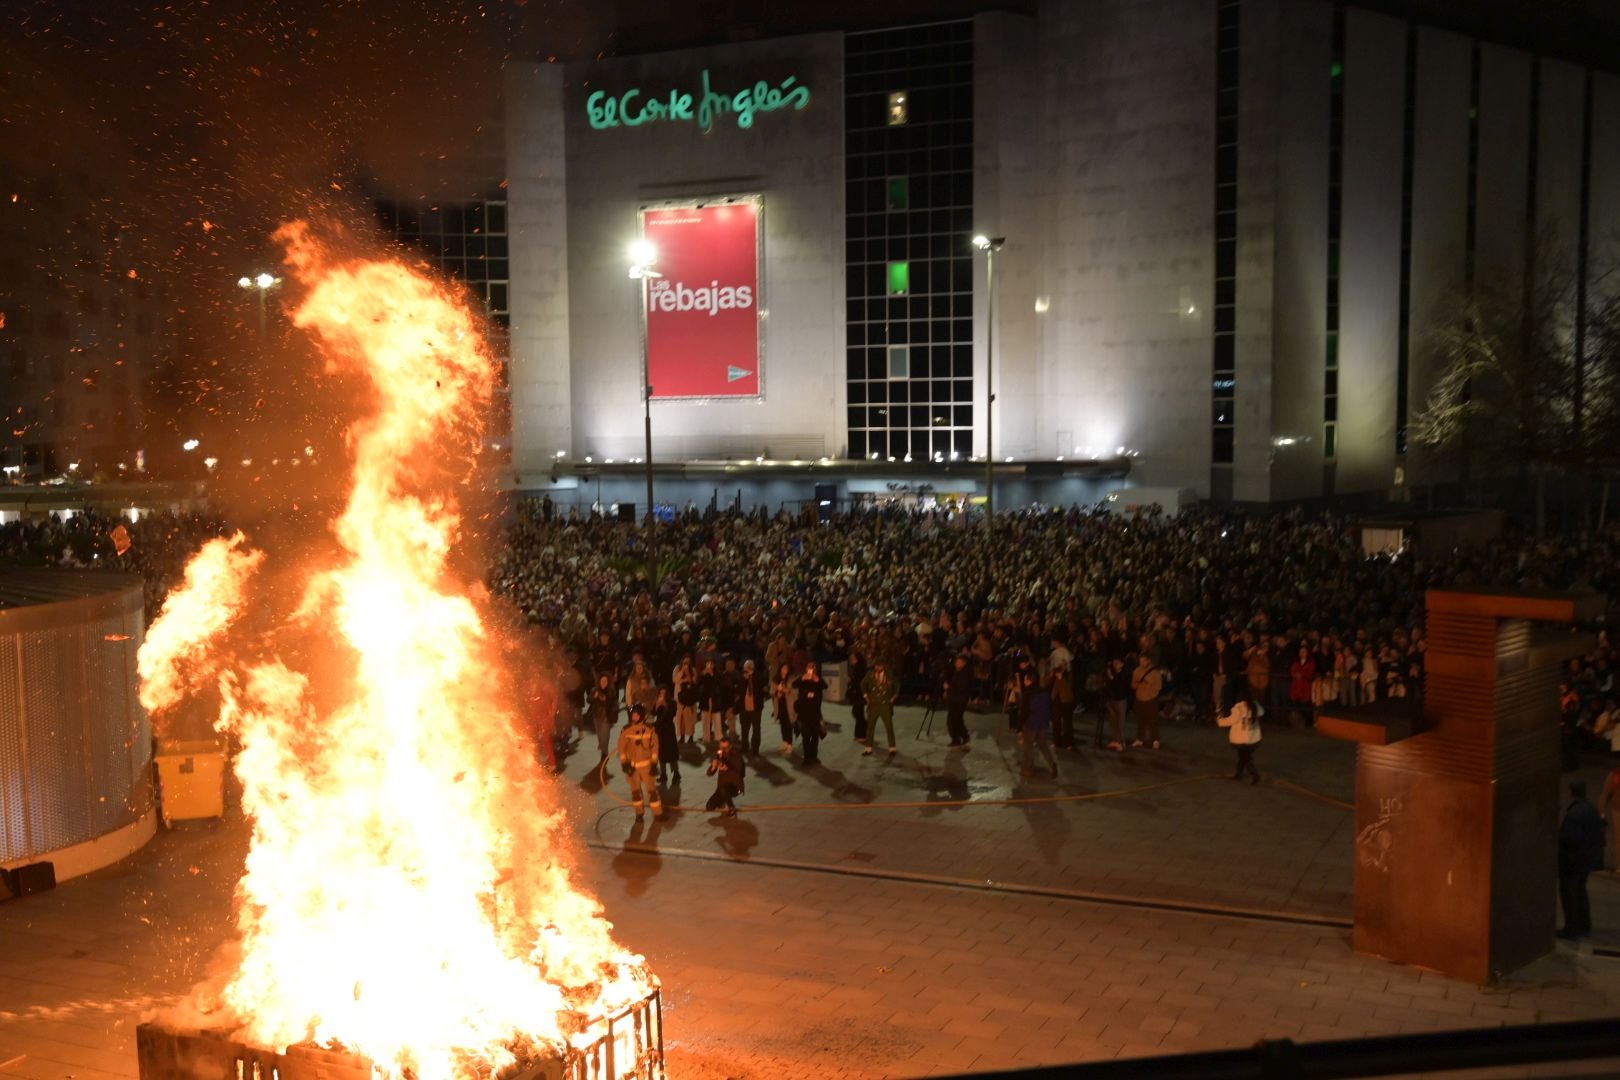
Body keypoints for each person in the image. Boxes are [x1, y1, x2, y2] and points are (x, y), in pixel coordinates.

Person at [1559, 780, 1605, 939]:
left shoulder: (1574, 813)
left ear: (1572, 793)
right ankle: (1584, 925)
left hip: (1573, 862)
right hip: (1587, 861)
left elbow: (1570, 839)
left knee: (1570, 894)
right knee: (1580, 891)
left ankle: (1571, 928)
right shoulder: (1591, 810)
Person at [617, 705, 663, 820]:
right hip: (632, 768)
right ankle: (639, 814)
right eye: (633, 715)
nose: (634, 717)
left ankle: (658, 814)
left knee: (652, 791)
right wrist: (624, 764)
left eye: (637, 715)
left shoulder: (649, 729)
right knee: (635, 792)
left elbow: (655, 747)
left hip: (647, 767)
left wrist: (654, 764)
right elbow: (621, 748)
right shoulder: (626, 730)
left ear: (641, 716)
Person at [1217, 689, 1263, 784]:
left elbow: (1231, 720)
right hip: (1254, 738)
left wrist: (1219, 721)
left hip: (1241, 739)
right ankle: (1238, 774)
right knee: (1243, 757)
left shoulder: (1239, 708)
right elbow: (1262, 712)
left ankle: (1255, 775)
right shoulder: (1255, 705)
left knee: (1245, 758)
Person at [1020, 670, 1058, 779]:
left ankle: (1028, 769)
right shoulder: (1044, 691)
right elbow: (1049, 706)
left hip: (1031, 723)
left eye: (1025, 679)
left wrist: (1020, 727)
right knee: (1043, 744)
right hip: (1043, 723)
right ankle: (1052, 763)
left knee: (1028, 747)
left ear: (1028, 680)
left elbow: (1024, 712)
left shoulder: (1028, 693)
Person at [863, 660, 899, 756]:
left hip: (885, 705)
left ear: (883, 666)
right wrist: (866, 695)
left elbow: (897, 684)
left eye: (879, 666)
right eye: (875, 666)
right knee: (870, 727)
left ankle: (892, 748)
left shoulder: (889, 674)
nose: (877, 668)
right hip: (873, 705)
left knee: (889, 727)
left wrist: (894, 696)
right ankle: (868, 748)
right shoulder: (870, 674)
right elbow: (862, 684)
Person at [794, 661, 826, 766]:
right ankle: (807, 758)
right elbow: (794, 684)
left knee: (815, 736)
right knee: (806, 736)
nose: (810, 670)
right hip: (804, 713)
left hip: (815, 712)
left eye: (812, 668)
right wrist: (803, 678)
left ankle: (814, 756)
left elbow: (825, 686)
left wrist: (817, 680)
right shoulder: (803, 680)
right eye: (809, 668)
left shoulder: (818, 680)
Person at [1130, 653, 1164, 749]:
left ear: (1149, 661)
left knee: (1153, 720)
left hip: (1151, 699)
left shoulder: (1155, 673)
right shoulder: (1136, 671)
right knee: (1141, 720)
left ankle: (1155, 740)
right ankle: (1139, 739)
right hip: (1140, 698)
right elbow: (1133, 686)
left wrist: (1149, 684)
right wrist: (1139, 683)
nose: (1142, 663)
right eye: (1140, 661)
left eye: (1144, 661)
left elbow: (1159, 687)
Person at [705, 735, 746, 816]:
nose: (723, 750)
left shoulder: (737, 756)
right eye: (721, 747)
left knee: (724, 789)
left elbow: (740, 774)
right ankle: (723, 800)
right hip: (722, 787)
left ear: (730, 746)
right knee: (709, 806)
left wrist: (727, 769)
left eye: (725, 748)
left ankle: (731, 808)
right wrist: (713, 767)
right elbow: (709, 773)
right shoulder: (719, 754)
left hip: (735, 786)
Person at [738, 658, 766, 758]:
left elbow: (762, 683)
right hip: (744, 707)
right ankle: (744, 746)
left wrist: (752, 676)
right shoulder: (742, 677)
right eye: (746, 667)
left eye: (750, 666)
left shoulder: (758, 676)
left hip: (756, 707)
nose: (747, 668)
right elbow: (739, 689)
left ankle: (755, 748)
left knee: (756, 728)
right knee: (744, 728)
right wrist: (745, 679)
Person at [653, 685, 681, 786]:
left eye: (664, 693)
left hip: (668, 730)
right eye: (660, 693)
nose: (662, 695)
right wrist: (657, 704)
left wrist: (664, 704)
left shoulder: (672, 703)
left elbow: (671, 715)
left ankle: (676, 772)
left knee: (671, 753)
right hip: (660, 730)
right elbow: (654, 713)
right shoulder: (657, 702)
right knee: (661, 752)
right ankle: (663, 774)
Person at [943, 654, 971, 747]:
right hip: (954, 699)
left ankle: (957, 738)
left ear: (964, 663)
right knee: (955, 719)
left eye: (959, 662)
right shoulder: (955, 671)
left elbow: (961, 687)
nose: (956, 663)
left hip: (960, 700)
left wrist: (949, 687)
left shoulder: (965, 673)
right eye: (956, 661)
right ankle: (963, 736)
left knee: (954, 719)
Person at [589, 672, 618, 761]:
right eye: (602, 681)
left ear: (608, 682)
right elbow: (588, 700)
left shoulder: (612, 691)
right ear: (599, 681)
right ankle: (602, 746)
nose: (603, 682)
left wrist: (606, 699)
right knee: (599, 735)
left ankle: (604, 753)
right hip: (597, 717)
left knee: (605, 735)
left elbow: (614, 704)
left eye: (605, 681)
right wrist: (594, 697)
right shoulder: (595, 690)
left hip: (606, 717)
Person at [673, 655, 699, 744]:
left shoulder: (693, 670)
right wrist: (682, 672)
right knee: (680, 718)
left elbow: (693, 681)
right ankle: (682, 736)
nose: (686, 664)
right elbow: (675, 680)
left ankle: (691, 736)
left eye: (688, 662)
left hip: (690, 697)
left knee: (690, 718)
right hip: (679, 697)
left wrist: (688, 674)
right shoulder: (677, 669)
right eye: (685, 662)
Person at [772, 660, 796, 754]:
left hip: (788, 705)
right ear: (780, 669)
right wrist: (777, 692)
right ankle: (785, 742)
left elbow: (794, 691)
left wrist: (786, 690)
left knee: (788, 724)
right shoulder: (776, 679)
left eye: (787, 668)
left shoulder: (791, 678)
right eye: (783, 668)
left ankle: (790, 744)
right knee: (782, 723)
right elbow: (772, 691)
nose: (785, 670)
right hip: (780, 705)